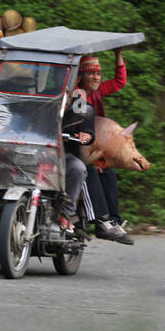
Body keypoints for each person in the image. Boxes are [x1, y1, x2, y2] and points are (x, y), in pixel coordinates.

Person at [77, 50, 133, 244]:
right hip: (79, 145)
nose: (95, 77)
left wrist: (118, 55)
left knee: (108, 170)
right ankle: (101, 221)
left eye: (98, 73)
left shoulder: (98, 92)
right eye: (90, 73)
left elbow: (120, 82)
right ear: (81, 76)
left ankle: (114, 221)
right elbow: (79, 126)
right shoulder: (77, 96)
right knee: (92, 169)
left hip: (92, 145)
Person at [59, 88, 94, 233]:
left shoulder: (80, 108)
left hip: (63, 155)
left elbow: (88, 130)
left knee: (78, 169)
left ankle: (66, 214)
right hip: (38, 153)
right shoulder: (42, 102)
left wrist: (87, 134)